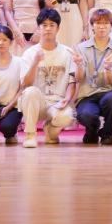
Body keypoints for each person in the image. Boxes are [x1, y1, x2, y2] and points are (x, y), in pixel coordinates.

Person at [19, 9, 78, 148]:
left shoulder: (68, 52)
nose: (48, 28)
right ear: (38, 28)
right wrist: (35, 62)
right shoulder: (29, 53)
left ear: (58, 28)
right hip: (36, 103)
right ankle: (30, 135)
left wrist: (67, 99)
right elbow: (25, 83)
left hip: (57, 102)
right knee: (30, 91)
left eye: (52, 25)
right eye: (44, 25)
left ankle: (50, 129)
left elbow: (72, 82)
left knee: (66, 117)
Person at [75, 9, 112, 145]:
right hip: (87, 95)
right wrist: (79, 65)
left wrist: (108, 69)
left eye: (106, 23)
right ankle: (92, 129)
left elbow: (111, 80)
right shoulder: (81, 48)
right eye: (98, 23)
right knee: (86, 114)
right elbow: (78, 78)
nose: (102, 27)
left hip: (108, 93)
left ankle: (107, 132)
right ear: (92, 26)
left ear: (111, 26)